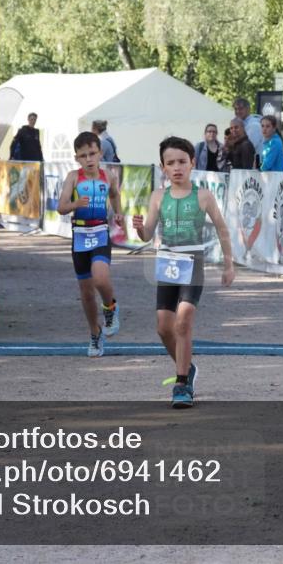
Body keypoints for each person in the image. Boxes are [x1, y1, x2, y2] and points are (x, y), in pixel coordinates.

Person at [133, 137, 235, 408]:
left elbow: (223, 229)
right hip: (167, 263)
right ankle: (187, 367)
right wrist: (139, 228)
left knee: (184, 320)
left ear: (193, 163)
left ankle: (181, 384)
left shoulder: (203, 195)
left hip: (193, 261)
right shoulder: (158, 196)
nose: (176, 167)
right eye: (170, 163)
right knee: (164, 328)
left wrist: (229, 264)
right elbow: (147, 233)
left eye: (182, 161)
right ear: (162, 167)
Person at [57, 132, 123, 357]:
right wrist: (75, 202)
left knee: (101, 277)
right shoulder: (73, 177)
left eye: (92, 153)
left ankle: (111, 309)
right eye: (83, 155)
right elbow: (61, 207)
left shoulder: (109, 176)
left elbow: (115, 195)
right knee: (86, 293)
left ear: (100, 153)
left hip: (101, 231)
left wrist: (119, 213)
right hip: (80, 234)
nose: (89, 159)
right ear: (77, 158)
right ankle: (95, 334)